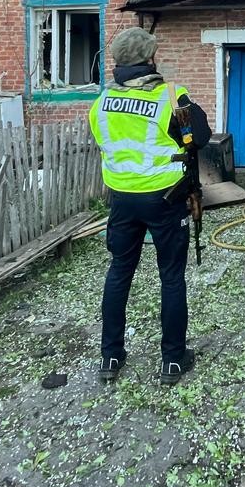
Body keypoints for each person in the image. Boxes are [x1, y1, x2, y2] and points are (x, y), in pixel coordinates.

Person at [89, 26, 211, 386]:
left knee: (119, 272)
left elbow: (105, 141)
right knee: (171, 277)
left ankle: (111, 357)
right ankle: (173, 360)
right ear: (150, 58)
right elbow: (198, 139)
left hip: (121, 200)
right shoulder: (170, 97)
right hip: (164, 199)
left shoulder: (101, 102)